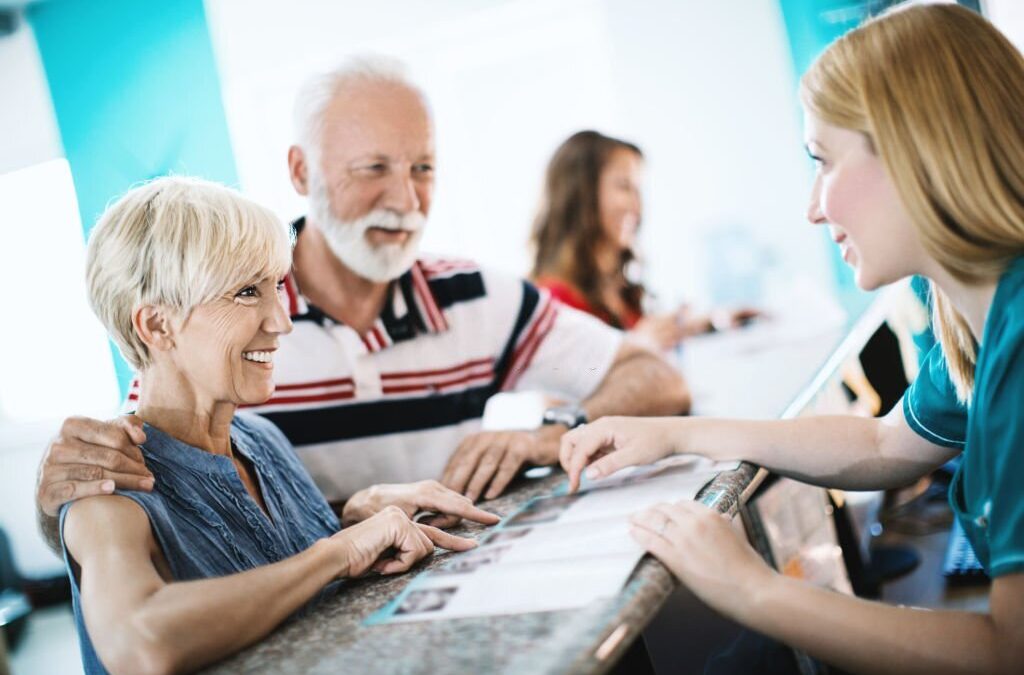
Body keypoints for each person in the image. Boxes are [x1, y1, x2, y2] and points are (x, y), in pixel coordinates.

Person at [36, 58, 690, 550]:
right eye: (373, 168)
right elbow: (145, 501)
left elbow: (657, 380)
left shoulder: (478, 295)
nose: (406, 201)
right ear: (300, 172)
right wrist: (54, 504)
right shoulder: (224, 323)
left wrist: (548, 435)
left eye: (422, 168)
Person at [562, 5, 1024, 673]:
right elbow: (886, 443)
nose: (812, 206)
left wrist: (750, 588)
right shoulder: (969, 306)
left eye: (823, 161)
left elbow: (1009, 652)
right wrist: (679, 434)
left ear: (915, 152)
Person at [63, 177, 480, 674]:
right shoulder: (109, 485)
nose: (281, 320)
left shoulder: (263, 439)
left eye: (277, 286)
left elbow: (286, 583)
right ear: (156, 326)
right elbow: (139, 643)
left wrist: (352, 519)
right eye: (246, 293)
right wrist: (336, 552)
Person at [530, 130, 758, 350]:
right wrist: (635, 346)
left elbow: (636, 336)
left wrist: (711, 322)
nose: (637, 206)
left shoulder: (617, 289)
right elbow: (574, 378)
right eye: (624, 186)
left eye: (638, 190)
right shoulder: (551, 303)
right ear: (579, 195)